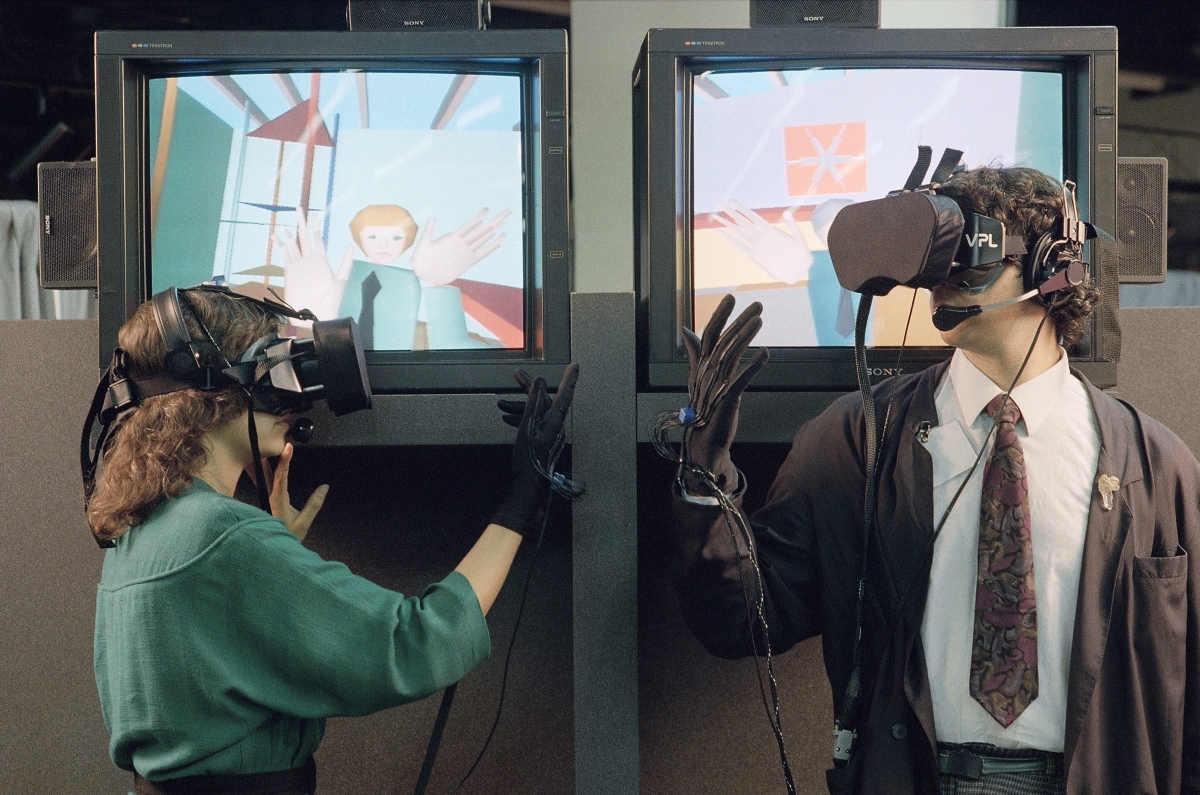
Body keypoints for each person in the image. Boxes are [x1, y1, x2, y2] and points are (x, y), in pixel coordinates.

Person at [670, 166, 1199, 794]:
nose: (942, 284)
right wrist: (705, 479)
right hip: (916, 776)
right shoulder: (854, 443)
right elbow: (745, 619)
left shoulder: (1153, 464)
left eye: (967, 259)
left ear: (1049, 267)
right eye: (934, 263)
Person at [87, 287, 578, 793]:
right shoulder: (221, 536)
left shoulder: (142, 532)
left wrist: (275, 553)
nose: (297, 397)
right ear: (214, 389)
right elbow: (415, 642)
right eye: (273, 369)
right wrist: (523, 497)